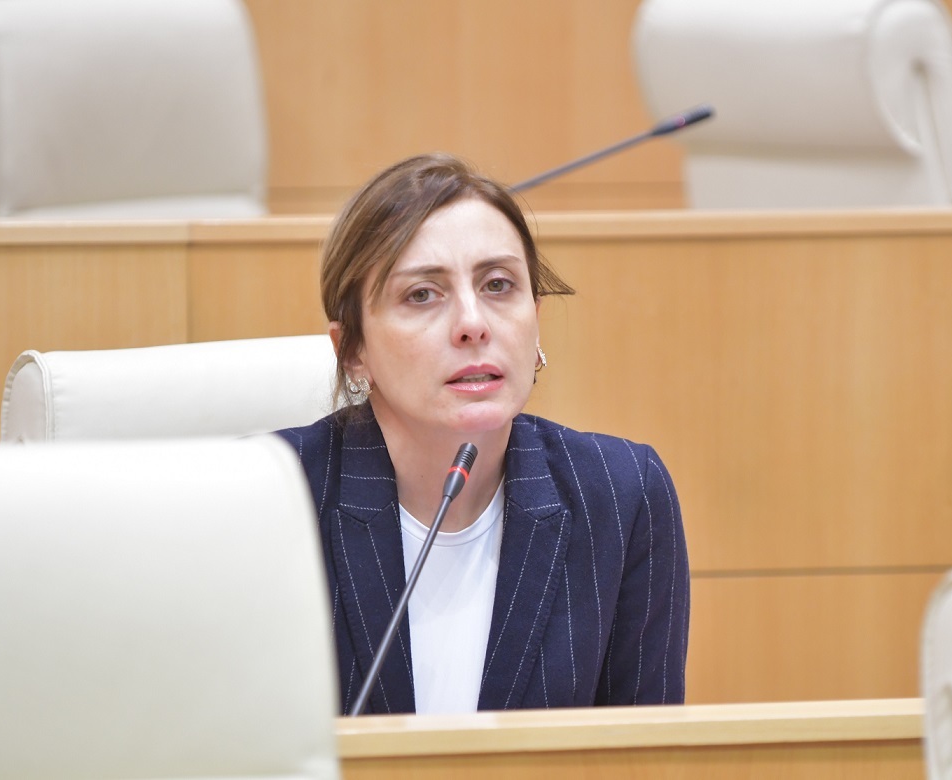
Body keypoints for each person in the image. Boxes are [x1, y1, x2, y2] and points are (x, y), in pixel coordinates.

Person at [276, 153, 689, 715]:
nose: (473, 324)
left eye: (498, 285)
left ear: (535, 320)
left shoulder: (620, 497)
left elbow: (647, 752)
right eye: (422, 294)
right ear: (352, 350)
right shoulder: (270, 500)